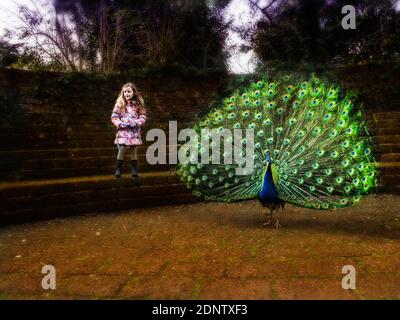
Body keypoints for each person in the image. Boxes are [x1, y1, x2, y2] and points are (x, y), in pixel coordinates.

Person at [111, 82, 146, 178]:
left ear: (133, 92)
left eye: (129, 91)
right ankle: (118, 168)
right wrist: (120, 123)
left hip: (134, 131)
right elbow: (114, 117)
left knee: (134, 150)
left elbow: (143, 117)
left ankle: (134, 169)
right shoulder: (119, 104)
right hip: (123, 131)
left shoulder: (138, 104)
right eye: (125, 92)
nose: (126, 93)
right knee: (121, 148)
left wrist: (137, 122)